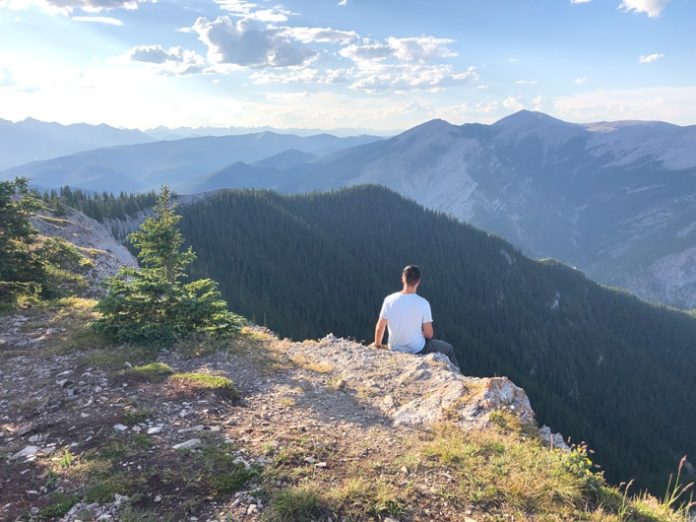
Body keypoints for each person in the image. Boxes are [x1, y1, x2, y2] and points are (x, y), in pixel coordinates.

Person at [373, 265, 460, 368]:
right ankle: (459, 376)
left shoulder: (389, 300)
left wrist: (378, 346)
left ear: (403, 279)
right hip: (417, 349)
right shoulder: (423, 303)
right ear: (418, 282)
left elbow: (380, 328)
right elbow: (429, 334)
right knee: (448, 349)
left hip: (394, 348)